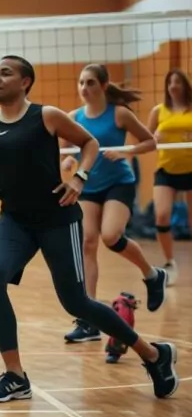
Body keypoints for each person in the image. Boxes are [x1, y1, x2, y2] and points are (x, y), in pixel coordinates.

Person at [0, 55, 177, 403]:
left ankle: (154, 355)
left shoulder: (47, 116)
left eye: (5, 73)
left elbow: (90, 145)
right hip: (14, 220)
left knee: (76, 303)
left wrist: (80, 178)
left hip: (57, 217)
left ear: (25, 82)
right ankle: (15, 376)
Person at [60, 64, 167, 351]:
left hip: (119, 183)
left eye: (90, 82)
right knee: (87, 242)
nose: (84, 87)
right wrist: (68, 162)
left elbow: (149, 142)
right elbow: (66, 151)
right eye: (81, 82)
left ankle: (152, 274)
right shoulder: (73, 118)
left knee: (110, 236)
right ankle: (89, 318)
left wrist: (126, 151)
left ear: (104, 86)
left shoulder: (119, 114)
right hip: (88, 185)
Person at [147, 69, 192, 282]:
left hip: (191, 169)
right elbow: (145, 141)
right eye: (169, 82)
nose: (173, 86)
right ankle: (170, 263)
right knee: (162, 216)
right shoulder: (158, 111)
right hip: (166, 170)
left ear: (185, 86)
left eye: (177, 82)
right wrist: (155, 137)